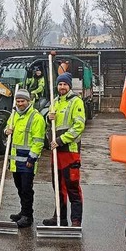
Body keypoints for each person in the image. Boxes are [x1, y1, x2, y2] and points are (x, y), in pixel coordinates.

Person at [43, 72, 86, 227]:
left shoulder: (76, 102)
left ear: (69, 86)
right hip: (56, 151)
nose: (62, 87)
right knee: (57, 185)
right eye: (60, 84)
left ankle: (76, 220)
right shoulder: (54, 102)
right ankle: (59, 217)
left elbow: (79, 126)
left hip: (70, 150)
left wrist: (60, 140)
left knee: (72, 186)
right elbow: (49, 127)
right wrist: (49, 119)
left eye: (64, 84)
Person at [4, 89, 46, 228]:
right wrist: (6, 131)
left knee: (27, 189)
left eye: (22, 101)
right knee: (19, 188)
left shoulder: (36, 117)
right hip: (16, 160)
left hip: (28, 160)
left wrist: (32, 159)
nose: (20, 103)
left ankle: (28, 216)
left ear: (28, 101)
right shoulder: (14, 114)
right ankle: (23, 212)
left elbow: (38, 141)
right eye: (18, 101)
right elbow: (7, 128)